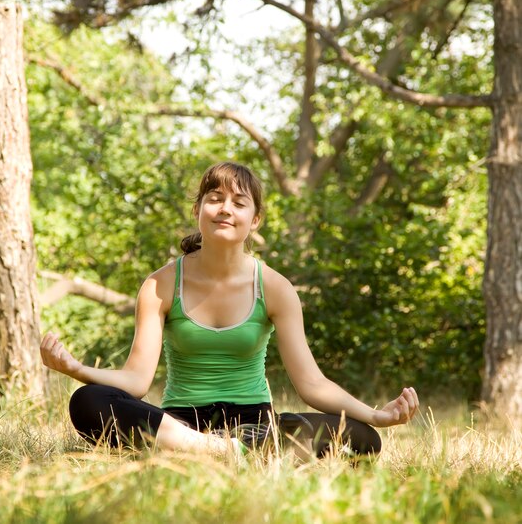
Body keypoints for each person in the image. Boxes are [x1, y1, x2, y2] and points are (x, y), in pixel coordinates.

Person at [40, 161, 419, 459]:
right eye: (215, 199)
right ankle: (225, 453)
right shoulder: (159, 285)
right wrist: (77, 370)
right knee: (88, 402)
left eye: (239, 203)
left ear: (254, 220)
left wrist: (374, 415)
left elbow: (312, 384)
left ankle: (221, 451)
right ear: (198, 210)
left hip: (256, 425)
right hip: (181, 423)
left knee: (363, 439)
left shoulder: (274, 287)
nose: (225, 209)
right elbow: (137, 380)